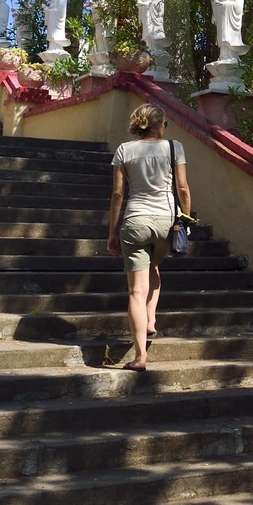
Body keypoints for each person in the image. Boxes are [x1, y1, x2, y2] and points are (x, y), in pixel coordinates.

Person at [105, 103, 192, 372]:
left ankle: (141, 356)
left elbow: (118, 195)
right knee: (154, 266)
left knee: (135, 289)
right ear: (161, 124)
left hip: (135, 221)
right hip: (166, 221)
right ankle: (151, 318)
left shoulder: (124, 150)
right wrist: (185, 221)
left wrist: (112, 232)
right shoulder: (174, 147)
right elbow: (183, 189)